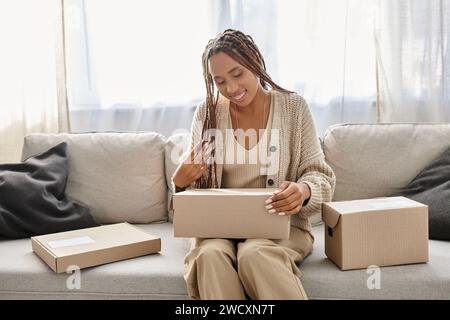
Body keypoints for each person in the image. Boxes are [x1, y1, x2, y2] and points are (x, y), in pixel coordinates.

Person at [171, 29, 336, 300]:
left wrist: (303, 191)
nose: (231, 88)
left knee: (254, 253)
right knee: (210, 255)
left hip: (281, 229)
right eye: (220, 81)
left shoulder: (293, 108)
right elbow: (191, 196)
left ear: (255, 64)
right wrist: (180, 183)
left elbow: (319, 175)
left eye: (237, 74)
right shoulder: (207, 113)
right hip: (217, 230)